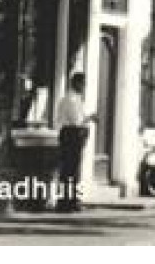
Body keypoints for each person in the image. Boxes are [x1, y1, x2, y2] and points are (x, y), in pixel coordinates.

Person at [54, 72, 97, 212]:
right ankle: (65, 203)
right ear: (77, 83)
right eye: (83, 84)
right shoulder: (71, 99)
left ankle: (72, 201)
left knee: (73, 170)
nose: (84, 87)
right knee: (69, 170)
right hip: (70, 134)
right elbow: (76, 121)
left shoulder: (76, 99)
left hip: (74, 135)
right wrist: (90, 118)